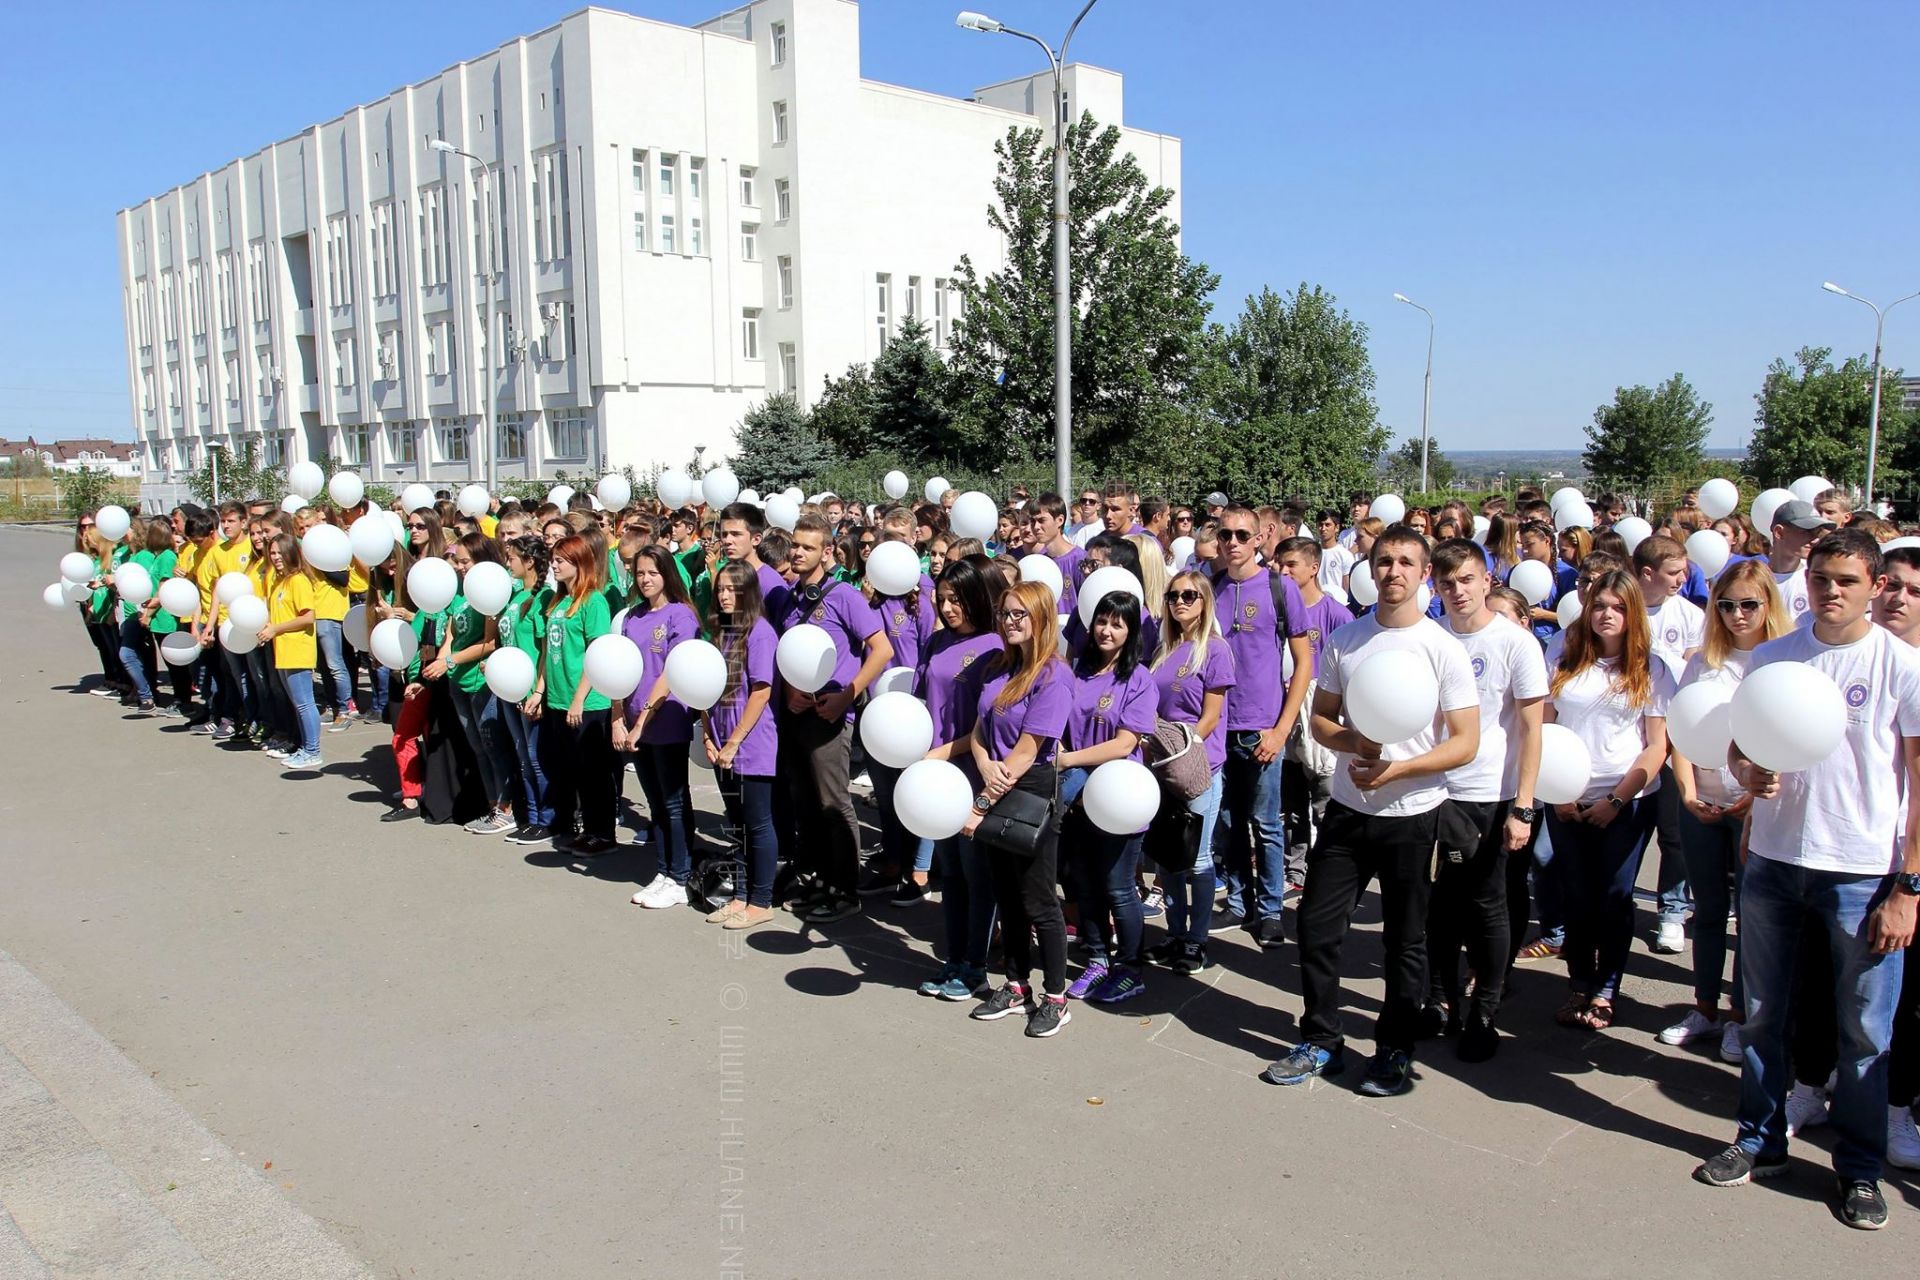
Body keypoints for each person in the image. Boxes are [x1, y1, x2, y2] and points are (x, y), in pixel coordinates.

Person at [1694, 529, 1920, 1233]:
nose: (1830, 591)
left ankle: (1858, 1170)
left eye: (1848, 581)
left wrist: (1909, 886)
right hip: (1775, 864)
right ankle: (1758, 1142)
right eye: (1822, 578)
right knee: (1762, 1016)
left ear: (1876, 586)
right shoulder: (1775, 655)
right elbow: (1740, 742)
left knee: (1863, 1033)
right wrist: (1747, 770)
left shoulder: (1901, 667)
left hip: (1862, 874)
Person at [1263, 526, 1479, 1096]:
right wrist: (1353, 744)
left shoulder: (1442, 648)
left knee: (1405, 941)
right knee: (1315, 926)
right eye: (1384, 561)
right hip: (1347, 809)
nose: (1393, 572)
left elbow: (1465, 742)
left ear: (1424, 572)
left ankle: (1393, 1049)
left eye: (1406, 562)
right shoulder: (1348, 639)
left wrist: (1399, 770)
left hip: (1414, 813)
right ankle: (1322, 1039)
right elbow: (1322, 719)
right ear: (1370, 567)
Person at [1660, 560, 1790, 1063]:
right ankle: (1705, 1008)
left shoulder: (1781, 662)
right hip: (1702, 802)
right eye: (1727, 605)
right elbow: (1681, 732)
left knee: (1750, 919)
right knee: (1708, 911)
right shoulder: (1703, 662)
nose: (1738, 615)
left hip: (1756, 808)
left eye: (1749, 605)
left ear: (1768, 606)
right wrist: (1688, 792)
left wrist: (1752, 800)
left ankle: (1741, 1017)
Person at [1426, 538, 1547, 1061]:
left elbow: (1531, 729)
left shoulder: (1515, 643)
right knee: (1438, 908)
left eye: (1467, 580)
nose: (1458, 591)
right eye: (1447, 583)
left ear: (1487, 581)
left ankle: (1484, 1012)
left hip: (1490, 796)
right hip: (1433, 793)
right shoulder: (1428, 639)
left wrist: (1523, 806)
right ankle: (1440, 1001)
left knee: (1488, 907)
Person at [1544, 568, 1673, 1033]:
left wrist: (1616, 801)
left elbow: (1657, 746)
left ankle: (1606, 990)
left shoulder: (1651, 668)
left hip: (1626, 803)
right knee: (1576, 894)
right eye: (1599, 605)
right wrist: (1556, 792)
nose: (1607, 614)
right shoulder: (1562, 653)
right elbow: (1546, 726)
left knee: (1615, 897)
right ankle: (1580, 984)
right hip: (1565, 800)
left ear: (1633, 612)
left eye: (1618, 607)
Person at [957, 581, 1074, 1037]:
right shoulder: (997, 666)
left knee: (1039, 899)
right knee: (1008, 895)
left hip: (1030, 789)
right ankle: (1016, 984)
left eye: (1019, 615)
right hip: (998, 781)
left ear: (1041, 618)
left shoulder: (1054, 677)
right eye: (1005, 613)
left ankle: (1057, 996)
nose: (1009, 622)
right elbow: (980, 731)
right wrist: (985, 766)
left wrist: (980, 805)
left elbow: (1027, 752)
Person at [772, 515, 893, 923]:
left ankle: (846, 889)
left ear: (827, 551)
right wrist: (790, 691)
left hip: (831, 713)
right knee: (805, 800)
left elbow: (881, 650)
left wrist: (847, 695)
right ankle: (822, 880)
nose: (797, 552)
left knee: (833, 802)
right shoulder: (791, 597)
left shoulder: (844, 596)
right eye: (795, 545)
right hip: (798, 712)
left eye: (807, 547)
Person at [1210, 505, 1313, 950]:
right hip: (1217, 726)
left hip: (1261, 727)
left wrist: (1280, 729)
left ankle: (1271, 909)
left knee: (1267, 824)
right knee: (1227, 821)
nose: (1232, 542)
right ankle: (1239, 899)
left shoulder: (1280, 587)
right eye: (1225, 534)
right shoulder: (1207, 588)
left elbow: (1304, 664)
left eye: (1241, 534)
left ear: (1259, 539)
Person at [1058, 590, 1159, 1005]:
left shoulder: (1138, 680)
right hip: (1079, 799)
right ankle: (1097, 958)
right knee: (1085, 883)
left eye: (1118, 623)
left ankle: (1129, 968)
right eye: (1102, 620)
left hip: (1120, 799)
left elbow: (1124, 744)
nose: (1107, 630)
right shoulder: (1075, 671)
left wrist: (1069, 761)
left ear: (1131, 630)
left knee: (1119, 887)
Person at [1146, 571, 1234, 973]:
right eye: (1173, 595)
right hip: (1161, 767)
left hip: (1199, 767)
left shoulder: (1215, 650)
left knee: (1197, 860)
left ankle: (1197, 940)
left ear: (1204, 602)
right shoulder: (1164, 649)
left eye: (1189, 595)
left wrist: (1183, 748)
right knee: (1168, 861)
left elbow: (1211, 717)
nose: (1180, 602)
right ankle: (1174, 933)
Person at [1869, 545, 1920, 1171]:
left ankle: (1896, 1106)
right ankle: (1813, 1084)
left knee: (1907, 996)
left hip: (1907, 857)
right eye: (1892, 585)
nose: (1898, 597)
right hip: (1850, 850)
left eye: (1913, 589)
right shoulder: (1843, 657)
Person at [618, 545, 702, 908]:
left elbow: (672, 671)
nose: (646, 579)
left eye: (652, 572)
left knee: (673, 800)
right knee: (655, 802)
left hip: (666, 721)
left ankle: (680, 876)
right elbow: (616, 669)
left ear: (667, 573)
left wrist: (643, 721)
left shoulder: (681, 615)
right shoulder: (631, 617)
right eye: (640, 573)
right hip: (635, 720)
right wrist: (618, 718)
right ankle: (664, 870)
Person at [1634, 533, 1707, 955]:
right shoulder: (1620, 608)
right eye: (1674, 572)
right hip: (1626, 735)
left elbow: (1695, 672)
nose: (1684, 578)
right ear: (1648, 573)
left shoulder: (1691, 615)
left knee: (1673, 832)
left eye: (1685, 570)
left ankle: (1672, 910)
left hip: (1672, 734)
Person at [701, 561, 780, 931]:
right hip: (721, 744)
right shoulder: (721, 633)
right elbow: (702, 686)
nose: (725, 595)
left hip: (750, 745)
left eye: (733, 589)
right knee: (736, 826)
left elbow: (761, 691)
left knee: (757, 824)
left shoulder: (760, 633)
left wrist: (733, 742)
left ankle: (761, 900)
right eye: (720, 589)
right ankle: (740, 895)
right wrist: (707, 734)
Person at [1273, 537, 1352, 891]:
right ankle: (1295, 868)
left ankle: (1329, 870)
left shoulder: (1335, 613)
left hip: (1319, 715)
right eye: (1278, 563)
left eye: (1291, 564)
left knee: (1324, 795)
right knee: (1291, 801)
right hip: (1282, 711)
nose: (1282, 570)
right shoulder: (1276, 609)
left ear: (1313, 567)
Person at [537, 535, 618, 854]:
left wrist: (579, 699)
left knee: (595, 771)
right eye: (553, 559)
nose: (554, 565)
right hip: (558, 698)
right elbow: (547, 649)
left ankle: (604, 834)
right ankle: (587, 829)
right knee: (573, 770)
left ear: (579, 563)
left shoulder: (593, 601)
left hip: (587, 702)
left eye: (561, 560)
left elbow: (595, 654)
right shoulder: (557, 601)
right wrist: (541, 690)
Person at [440, 533, 516, 836]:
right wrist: (444, 661)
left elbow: (489, 642)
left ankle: (506, 808)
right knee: (477, 748)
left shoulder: (490, 590)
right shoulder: (459, 593)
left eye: (465, 561)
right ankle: (491, 805)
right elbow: (451, 633)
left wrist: (450, 660)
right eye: (456, 561)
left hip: (482, 681)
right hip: (457, 681)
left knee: (494, 746)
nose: (459, 567)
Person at [498, 535, 555, 844]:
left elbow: (544, 649)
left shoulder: (544, 597)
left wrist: (539, 692)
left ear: (530, 561)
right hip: (509, 689)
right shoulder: (514, 596)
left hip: (530, 689)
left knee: (535, 756)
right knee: (523, 756)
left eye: (513, 558)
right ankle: (531, 816)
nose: (508, 563)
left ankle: (547, 818)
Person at [256, 532, 321, 769]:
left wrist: (275, 629)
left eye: (279, 552)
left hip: (297, 648)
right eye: (272, 553)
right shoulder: (280, 581)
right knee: (297, 702)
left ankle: (313, 750)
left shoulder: (299, 580)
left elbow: (308, 617)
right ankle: (305, 747)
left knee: (304, 702)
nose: (275, 557)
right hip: (283, 649)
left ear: (292, 552)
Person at [1764, 499, 1836, 624]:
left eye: (1817, 533)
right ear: (1779, 532)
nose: (1815, 540)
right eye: (1807, 532)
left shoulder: (1817, 580)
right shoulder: (1754, 579)